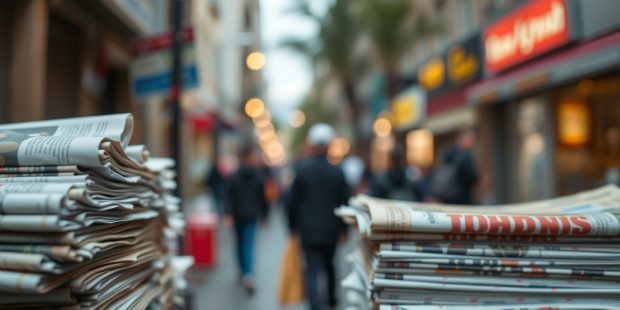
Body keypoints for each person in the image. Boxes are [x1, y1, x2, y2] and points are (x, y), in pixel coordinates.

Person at [286, 124, 350, 310]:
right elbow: (345, 202)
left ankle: (315, 305)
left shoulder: (302, 170)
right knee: (330, 265)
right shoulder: (337, 172)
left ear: (311, 146)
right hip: (331, 230)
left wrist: (292, 228)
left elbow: (291, 202)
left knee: (312, 269)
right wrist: (344, 229)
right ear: (329, 146)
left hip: (308, 230)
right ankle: (331, 300)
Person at [224, 146, 268, 295]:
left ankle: (243, 271)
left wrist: (228, 214)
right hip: (251, 215)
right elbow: (263, 199)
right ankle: (247, 273)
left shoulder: (235, 176)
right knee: (248, 243)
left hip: (238, 215)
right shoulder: (258, 176)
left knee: (239, 243)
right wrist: (264, 216)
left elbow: (228, 196)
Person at [431, 129, 479, 204]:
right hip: (462, 196)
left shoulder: (448, 152)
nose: (473, 143)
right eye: (471, 140)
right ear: (463, 140)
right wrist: (479, 180)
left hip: (447, 194)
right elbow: (469, 175)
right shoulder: (465, 156)